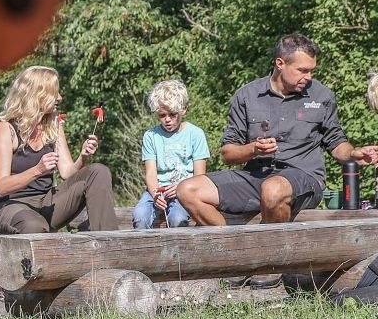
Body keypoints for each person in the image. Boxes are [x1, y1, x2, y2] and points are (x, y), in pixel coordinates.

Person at [177, 33, 378, 226]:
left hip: (304, 178)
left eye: (311, 70)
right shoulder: (247, 96)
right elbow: (227, 153)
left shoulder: (321, 95)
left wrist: (353, 153)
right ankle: (233, 245)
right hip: (255, 177)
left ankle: (265, 256)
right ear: (280, 63)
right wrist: (253, 149)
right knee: (188, 190)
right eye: (302, 70)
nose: (309, 77)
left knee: (273, 189)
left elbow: (336, 143)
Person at [0, 65, 118, 234]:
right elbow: (1, 187)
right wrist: (37, 170)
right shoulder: (5, 129)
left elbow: (67, 172)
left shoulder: (53, 125)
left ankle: (109, 246)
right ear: (36, 95)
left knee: (98, 171)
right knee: (34, 225)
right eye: (54, 93)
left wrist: (82, 157)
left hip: (45, 202)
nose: (59, 98)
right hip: (7, 205)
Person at [132, 80, 211, 228]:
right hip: (156, 189)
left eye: (173, 114)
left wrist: (181, 187)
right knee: (140, 216)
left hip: (185, 190)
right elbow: (150, 174)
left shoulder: (196, 134)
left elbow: (200, 176)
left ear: (184, 110)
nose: (167, 119)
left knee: (178, 218)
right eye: (162, 115)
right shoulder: (150, 136)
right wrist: (155, 194)